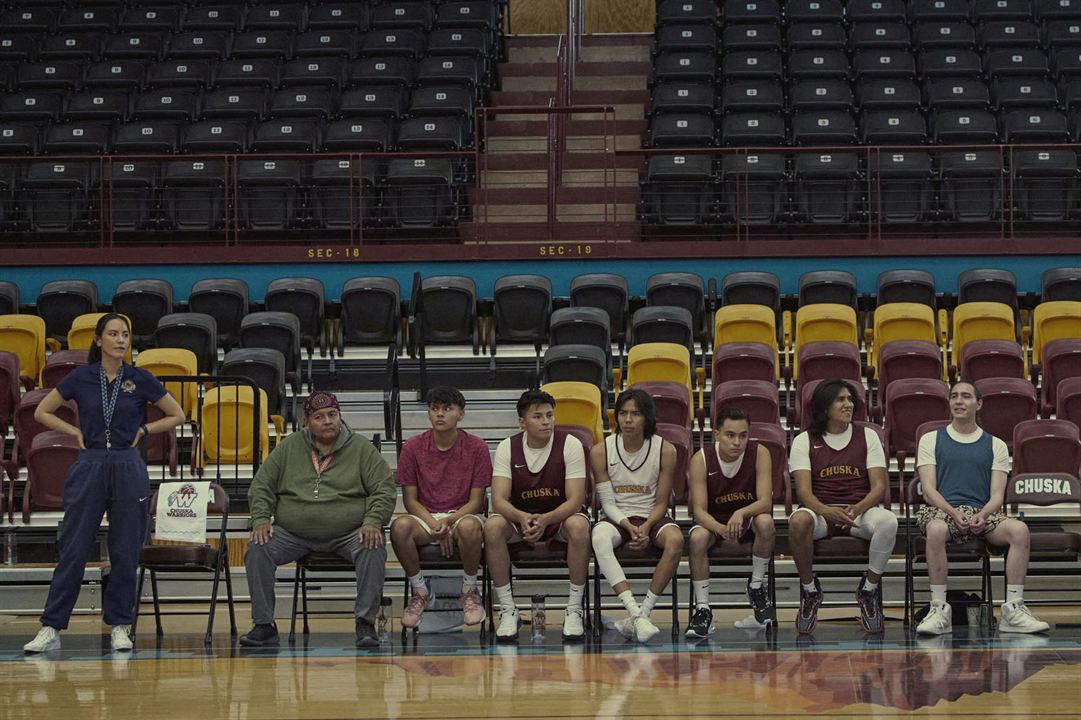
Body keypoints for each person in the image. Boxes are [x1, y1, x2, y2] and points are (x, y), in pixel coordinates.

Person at [24, 313, 185, 653]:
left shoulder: (140, 378)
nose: (120, 340)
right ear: (98, 341)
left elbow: (178, 414)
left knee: (126, 550)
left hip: (128, 464)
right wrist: (75, 432)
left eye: (125, 334)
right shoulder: (81, 377)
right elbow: (43, 412)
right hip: (91, 462)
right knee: (74, 548)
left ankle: (120, 626)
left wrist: (143, 431)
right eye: (113, 334)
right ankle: (51, 626)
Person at [241, 391, 396, 648]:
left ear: (340, 416)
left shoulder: (361, 448)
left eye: (333, 415)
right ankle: (264, 625)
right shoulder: (289, 446)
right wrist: (260, 519)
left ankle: (365, 623)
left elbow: (384, 489)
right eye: (320, 417)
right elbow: (261, 486)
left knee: (373, 545)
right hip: (292, 534)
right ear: (306, 422)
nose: (328, 421)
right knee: (259, 547)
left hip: (349, 534)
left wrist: (372, 520)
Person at [915, 380, 1049, 635]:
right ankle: (939, 609)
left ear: (979, 403)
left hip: (982, 511)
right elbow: (930, 491)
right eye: (954, 396)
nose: (958, 401)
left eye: (965, 396)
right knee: (934, 530)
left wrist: (983, 514)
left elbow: (998, 494)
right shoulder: (930, 439)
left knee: (1019, 530)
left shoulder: (995, 444)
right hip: (943, 511)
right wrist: (954, 514)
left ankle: (1013, 609)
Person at [788, 378, 896, 635]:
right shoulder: (804, 440)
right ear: (824, 407)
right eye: (841, 399)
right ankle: (809, 590)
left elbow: (879, 486)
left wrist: (856, 510)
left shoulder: (868, 435)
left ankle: (868, 591)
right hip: (821, 514)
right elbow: (803, 492)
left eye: (850, 399)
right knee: (797, 520)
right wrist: (826, 510)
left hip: (859, 512)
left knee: (889, 521)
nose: (848, 404)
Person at [484, 389, 590, 642]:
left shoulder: (571, 443)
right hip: (521, 519)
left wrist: (546, 519)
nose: (546, 421)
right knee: (493, 527)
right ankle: (508, 610)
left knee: (578, 526)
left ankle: (574, 609)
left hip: (559, 518)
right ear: (522, 422)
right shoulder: (507, 447)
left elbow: (576, 500)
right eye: (538, 416)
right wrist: (522, 517)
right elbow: (498, 500)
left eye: (550, 415)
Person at [390, 386, 492, 630]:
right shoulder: (412, 447)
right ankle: (421, 591)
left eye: (447, 409)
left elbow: (477, 502)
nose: (440, 414)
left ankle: (469, 590)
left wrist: (448, 523)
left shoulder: (477, 447)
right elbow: (410, 500)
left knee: (468, 528)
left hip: (463, 513)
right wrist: (436, 523)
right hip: (426, 516)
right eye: (434, 409)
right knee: (399, 526)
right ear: (428, 413)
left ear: (461, 414)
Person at [590, 388, 683, 643]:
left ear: (647, 418)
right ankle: (634, 612)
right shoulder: (601, 451)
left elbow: (662, 502)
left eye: (635, 414)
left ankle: (644, 613)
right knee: (598, 537)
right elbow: (607, 502)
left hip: (652, 516)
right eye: (623, 413)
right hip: (618, 516)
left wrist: (647, 526)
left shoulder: (665, 450)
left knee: (676, 540)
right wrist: (627, 525)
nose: (628, 420)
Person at [685, 406, 776, 639]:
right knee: (696, 538)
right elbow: (699, 512)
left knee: (766, 522)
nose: (737, 442)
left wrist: (741, 513)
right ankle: (703, 609)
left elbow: (765, 502)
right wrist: (720, 529)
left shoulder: (760, 453)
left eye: (743, 435)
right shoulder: (701, 458)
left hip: (747, 519)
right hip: (714, 522)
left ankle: (756, 586)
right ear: (717, 434)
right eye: (730, 435)